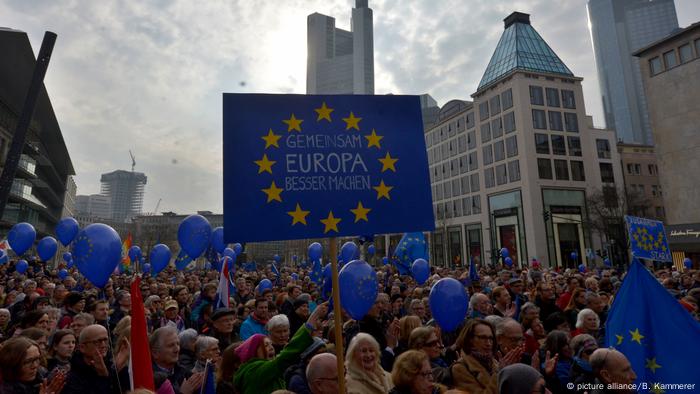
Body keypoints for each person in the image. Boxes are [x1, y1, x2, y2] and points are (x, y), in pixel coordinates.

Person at [233, 303, 327, 394]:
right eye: (265, 345)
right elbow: (283, 358)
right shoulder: (253, 370)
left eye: (270, 344)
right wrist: (313, 317)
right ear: (254, 350)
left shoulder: (262, 367)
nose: (271, 348)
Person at [63, 324, 121, 393]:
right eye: (97, 342)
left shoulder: (110, 365)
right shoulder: (71, 377)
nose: (103, 345)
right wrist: (102, 377)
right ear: (82, 347)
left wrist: (119, 368)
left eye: (105, 340)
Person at [0, 337, 66, 394]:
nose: (35, 366)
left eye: (37, 359)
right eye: (28, 361)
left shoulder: (43, 378)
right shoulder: (5, 390)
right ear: (12, 363)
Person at [150, 325, 204, 394]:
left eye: (178, 344)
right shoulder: (149, 379)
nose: (177, 349)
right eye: (170, 345)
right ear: (155, 353)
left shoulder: (185, 373)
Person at [451, 319, 498, 394]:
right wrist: (498, 375)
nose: (488, 343)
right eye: (483, 338)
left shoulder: (495, 363)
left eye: (491, 338)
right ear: (470, 339)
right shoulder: (460, 368)